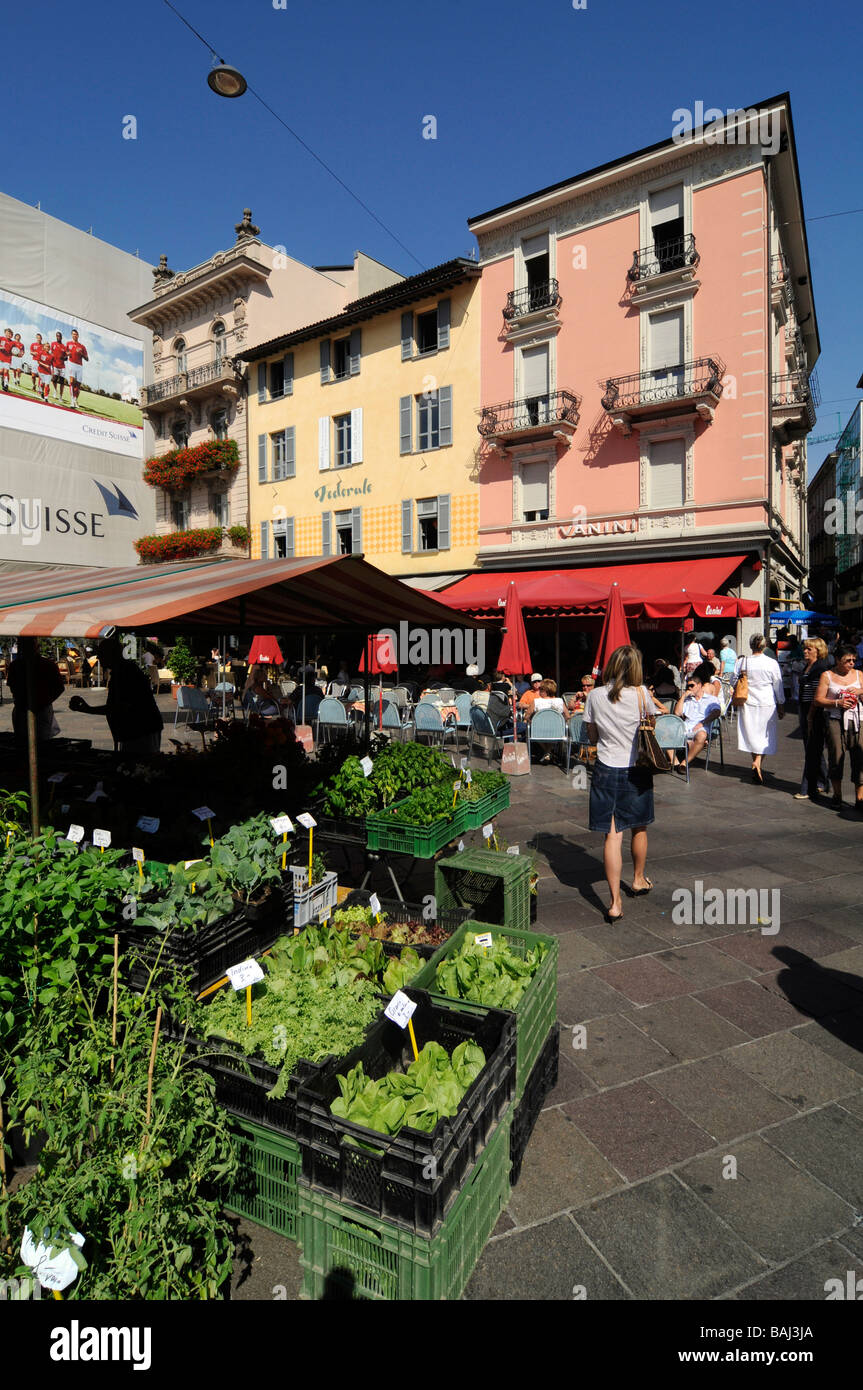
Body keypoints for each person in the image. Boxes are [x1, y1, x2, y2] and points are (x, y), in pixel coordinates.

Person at [584, 646, 663, 923]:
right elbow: (650, 729)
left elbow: (592, 736)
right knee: (639, 826)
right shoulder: (642, 695)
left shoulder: (594, 695)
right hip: (636, 769)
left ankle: (615, 902)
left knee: (612, 834)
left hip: (606, 768)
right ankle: (638, 879)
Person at [69, 637, 163, 755]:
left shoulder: (125, 672)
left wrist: (87, 709)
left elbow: (119, 707)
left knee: (140, 765)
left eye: (101, 653)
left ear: (111, 654)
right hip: (138, 730)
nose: (98, 657)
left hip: (142, 730)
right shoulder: (122, 670)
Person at [813, 644, 863, 811]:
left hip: (858, 720)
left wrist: (859, 691)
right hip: (835, 720)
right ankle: (837, 794)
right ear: (837, 660)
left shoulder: (859, 675)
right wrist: (837, 702)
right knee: (836, 755)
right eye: (847, 660)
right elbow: (818, 700)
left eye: (853, 660)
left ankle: (860, 796)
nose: (851, 663)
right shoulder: (827, 675)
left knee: (860, 756)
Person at [733, 633, 785, 784]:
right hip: (767, 702)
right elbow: (778, 685)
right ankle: (758, 762)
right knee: (765, 736)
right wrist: (781, 704)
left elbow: (732, 680)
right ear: (764, 646)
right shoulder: (771, 663)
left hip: (747, 701)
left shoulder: (743, 662)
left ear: (750, 645)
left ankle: (756, 762)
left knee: (751, 734)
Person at [793, 637, 830, 802]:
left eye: (809, 649)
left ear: (818, 651)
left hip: (815, 712)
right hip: (805, 708)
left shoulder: (820, 669)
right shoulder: (808, 666)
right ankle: (823, 781)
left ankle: (808, 787)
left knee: (811, 749)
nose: (805, 651)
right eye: (805, 648)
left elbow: (817, 695)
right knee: (813, 748)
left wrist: (809, 716)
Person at [6, 638, 64, 743]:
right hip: (22, 709)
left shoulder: (48, 665)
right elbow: (12, 686)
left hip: (40, 710)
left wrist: (43, 702)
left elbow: (59, 687)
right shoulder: (15, 666)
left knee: (40, 741)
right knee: (23, 741)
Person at [673, 673, 721, 769]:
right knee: (667, 732)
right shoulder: (687, 700)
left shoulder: (711, 699)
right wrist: (683, 697)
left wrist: (702, 722)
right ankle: (675, 762)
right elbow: (677, 713)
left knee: (702, 735)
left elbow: (717, 712)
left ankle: (684, 763)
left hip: (701, 727)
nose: (689, 688)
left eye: (692, 685)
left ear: (699, 685)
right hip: (686, 726)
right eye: (688, 686)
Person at [64, 329, 88, 409]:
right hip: (71, 364)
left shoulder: (82, 346)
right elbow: (65, 353)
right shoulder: (68, 343)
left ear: (78, 335)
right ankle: (72, 401)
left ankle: (75, 400)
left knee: (77, 385)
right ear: (71, 335)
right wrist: (68, 353)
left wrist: (81, 354)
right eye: (73, 334)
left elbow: (87, 359)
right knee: (71, 382)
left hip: (79, 366)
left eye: (76, 334)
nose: (74, 335)